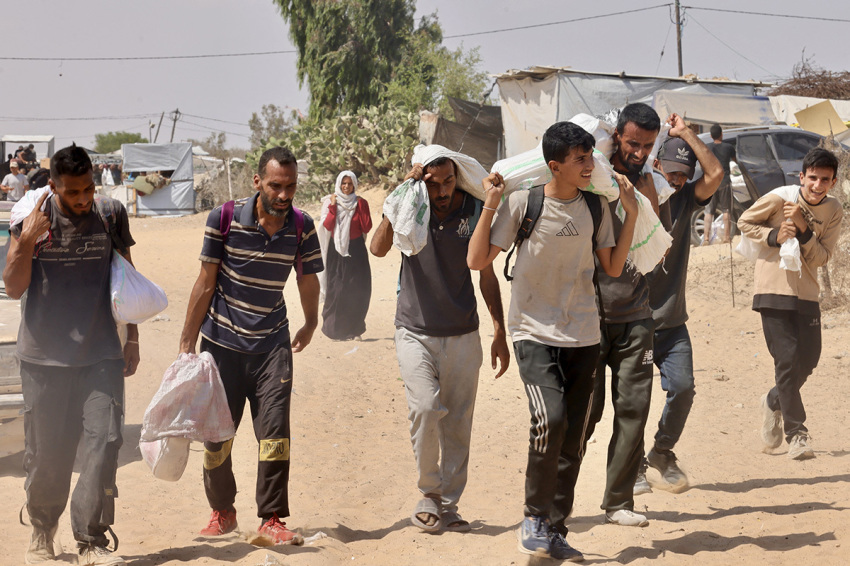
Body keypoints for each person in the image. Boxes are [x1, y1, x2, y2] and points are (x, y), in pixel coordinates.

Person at [468, 121, 638, 560]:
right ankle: (533, 516)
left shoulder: (597, 209)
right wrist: (490, 205)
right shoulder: (525, 203)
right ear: (554, 165)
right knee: (551, 419)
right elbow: (476, 259)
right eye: (580, 159)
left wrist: (632, 214)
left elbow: (613, 269)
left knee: (574, 438)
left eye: (590, 157)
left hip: (583, 334)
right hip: (533, 331)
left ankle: (554, 528)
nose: (590, 165)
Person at [178, 146, 322, 546]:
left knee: (275, 432)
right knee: (217, 435)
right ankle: (222, 510)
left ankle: (272, 517)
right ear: (257, 181)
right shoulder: (223, 218)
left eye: (290, 186)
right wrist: (187, 342)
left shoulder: (302, 226)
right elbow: (206, 281)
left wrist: (311, 322)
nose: (283, 194)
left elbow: (308, 279)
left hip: (272, 345)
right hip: (221, 344)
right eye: (276, 185)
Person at [3, 144, 140, 566]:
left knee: (104, 443)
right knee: (48, 453)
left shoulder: (110, 212)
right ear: (54, 186)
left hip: (100, 352)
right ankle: (43, 530)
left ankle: (90, 541)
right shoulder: (31, 216)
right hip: (44, 358)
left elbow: (125, 276)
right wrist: (28, 239)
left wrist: (131, 338)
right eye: (72, 193)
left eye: (87, 189)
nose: (82, 199)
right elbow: (13, 286)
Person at [370, 152, 510, 535]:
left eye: (448, 181)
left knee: (459, 422)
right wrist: (402, 193)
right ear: (421, 182)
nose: (442, 190)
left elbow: (485, 274)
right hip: (414, 329)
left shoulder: (473, 210)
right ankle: (429, 493)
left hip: (463, 332)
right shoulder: (410, 206)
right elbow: (378, 248)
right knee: (426, 408)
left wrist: (498, 329)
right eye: (433, 183)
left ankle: (449, 505)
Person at [582, 103, 663, 528]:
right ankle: (555, 496)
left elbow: (653, 240)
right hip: (589, 317)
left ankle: (619, 501)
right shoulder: (590, 175)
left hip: (636, 314)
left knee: (634, 410)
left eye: (648, 145)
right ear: (617, 136)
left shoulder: (649, 181)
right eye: (633, 143)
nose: (640, 152)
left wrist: (644, 184)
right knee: (585, 413)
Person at [737, 147, 843, 460]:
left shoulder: (834, 209)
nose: (817, 185)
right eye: (812, 178)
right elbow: (745, 221)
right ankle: (797, 433)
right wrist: (774, 236)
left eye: (825, 179)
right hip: (773, 287)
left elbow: (823, 257)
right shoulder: (780, 198)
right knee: (786, 358)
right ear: (802, 177)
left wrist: (803, 227)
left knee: (808, 359)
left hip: (807, 293)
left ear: (833, 182)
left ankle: (773, 400)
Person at [641, 114, 722, 494]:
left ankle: (661, 452)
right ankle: (629, 468)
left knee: (684, 388)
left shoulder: (687, 200)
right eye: (669, 172)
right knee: (633, 401)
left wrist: (686, 132)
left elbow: (717, 173)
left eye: (681, 175)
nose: (674, 181)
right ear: (656, 165)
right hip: (634, 323)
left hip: (672, 323)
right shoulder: (636, 199)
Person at [319, 170, 372, 340]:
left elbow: (367, 227)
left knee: (358, 289)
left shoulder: (360, 203)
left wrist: (361, 207)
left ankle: (355, 330)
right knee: (337, 289)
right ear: (339, 184)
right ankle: (334, 330)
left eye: (350, 184)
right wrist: (333, 208)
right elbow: (327, 226)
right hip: (337, 251)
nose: (347, 187)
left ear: (355, 185)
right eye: (344, 183)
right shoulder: (330, 201)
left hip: (356, 251)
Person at [704, 124, 736, 245]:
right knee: (726, 210)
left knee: (708, 211)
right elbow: (736, 160)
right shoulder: (728, 147)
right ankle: (727, 238)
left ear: (711, 136)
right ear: (721, 134)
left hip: (711, 182)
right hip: (725, 181)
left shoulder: (707, 148)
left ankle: (706, 238)